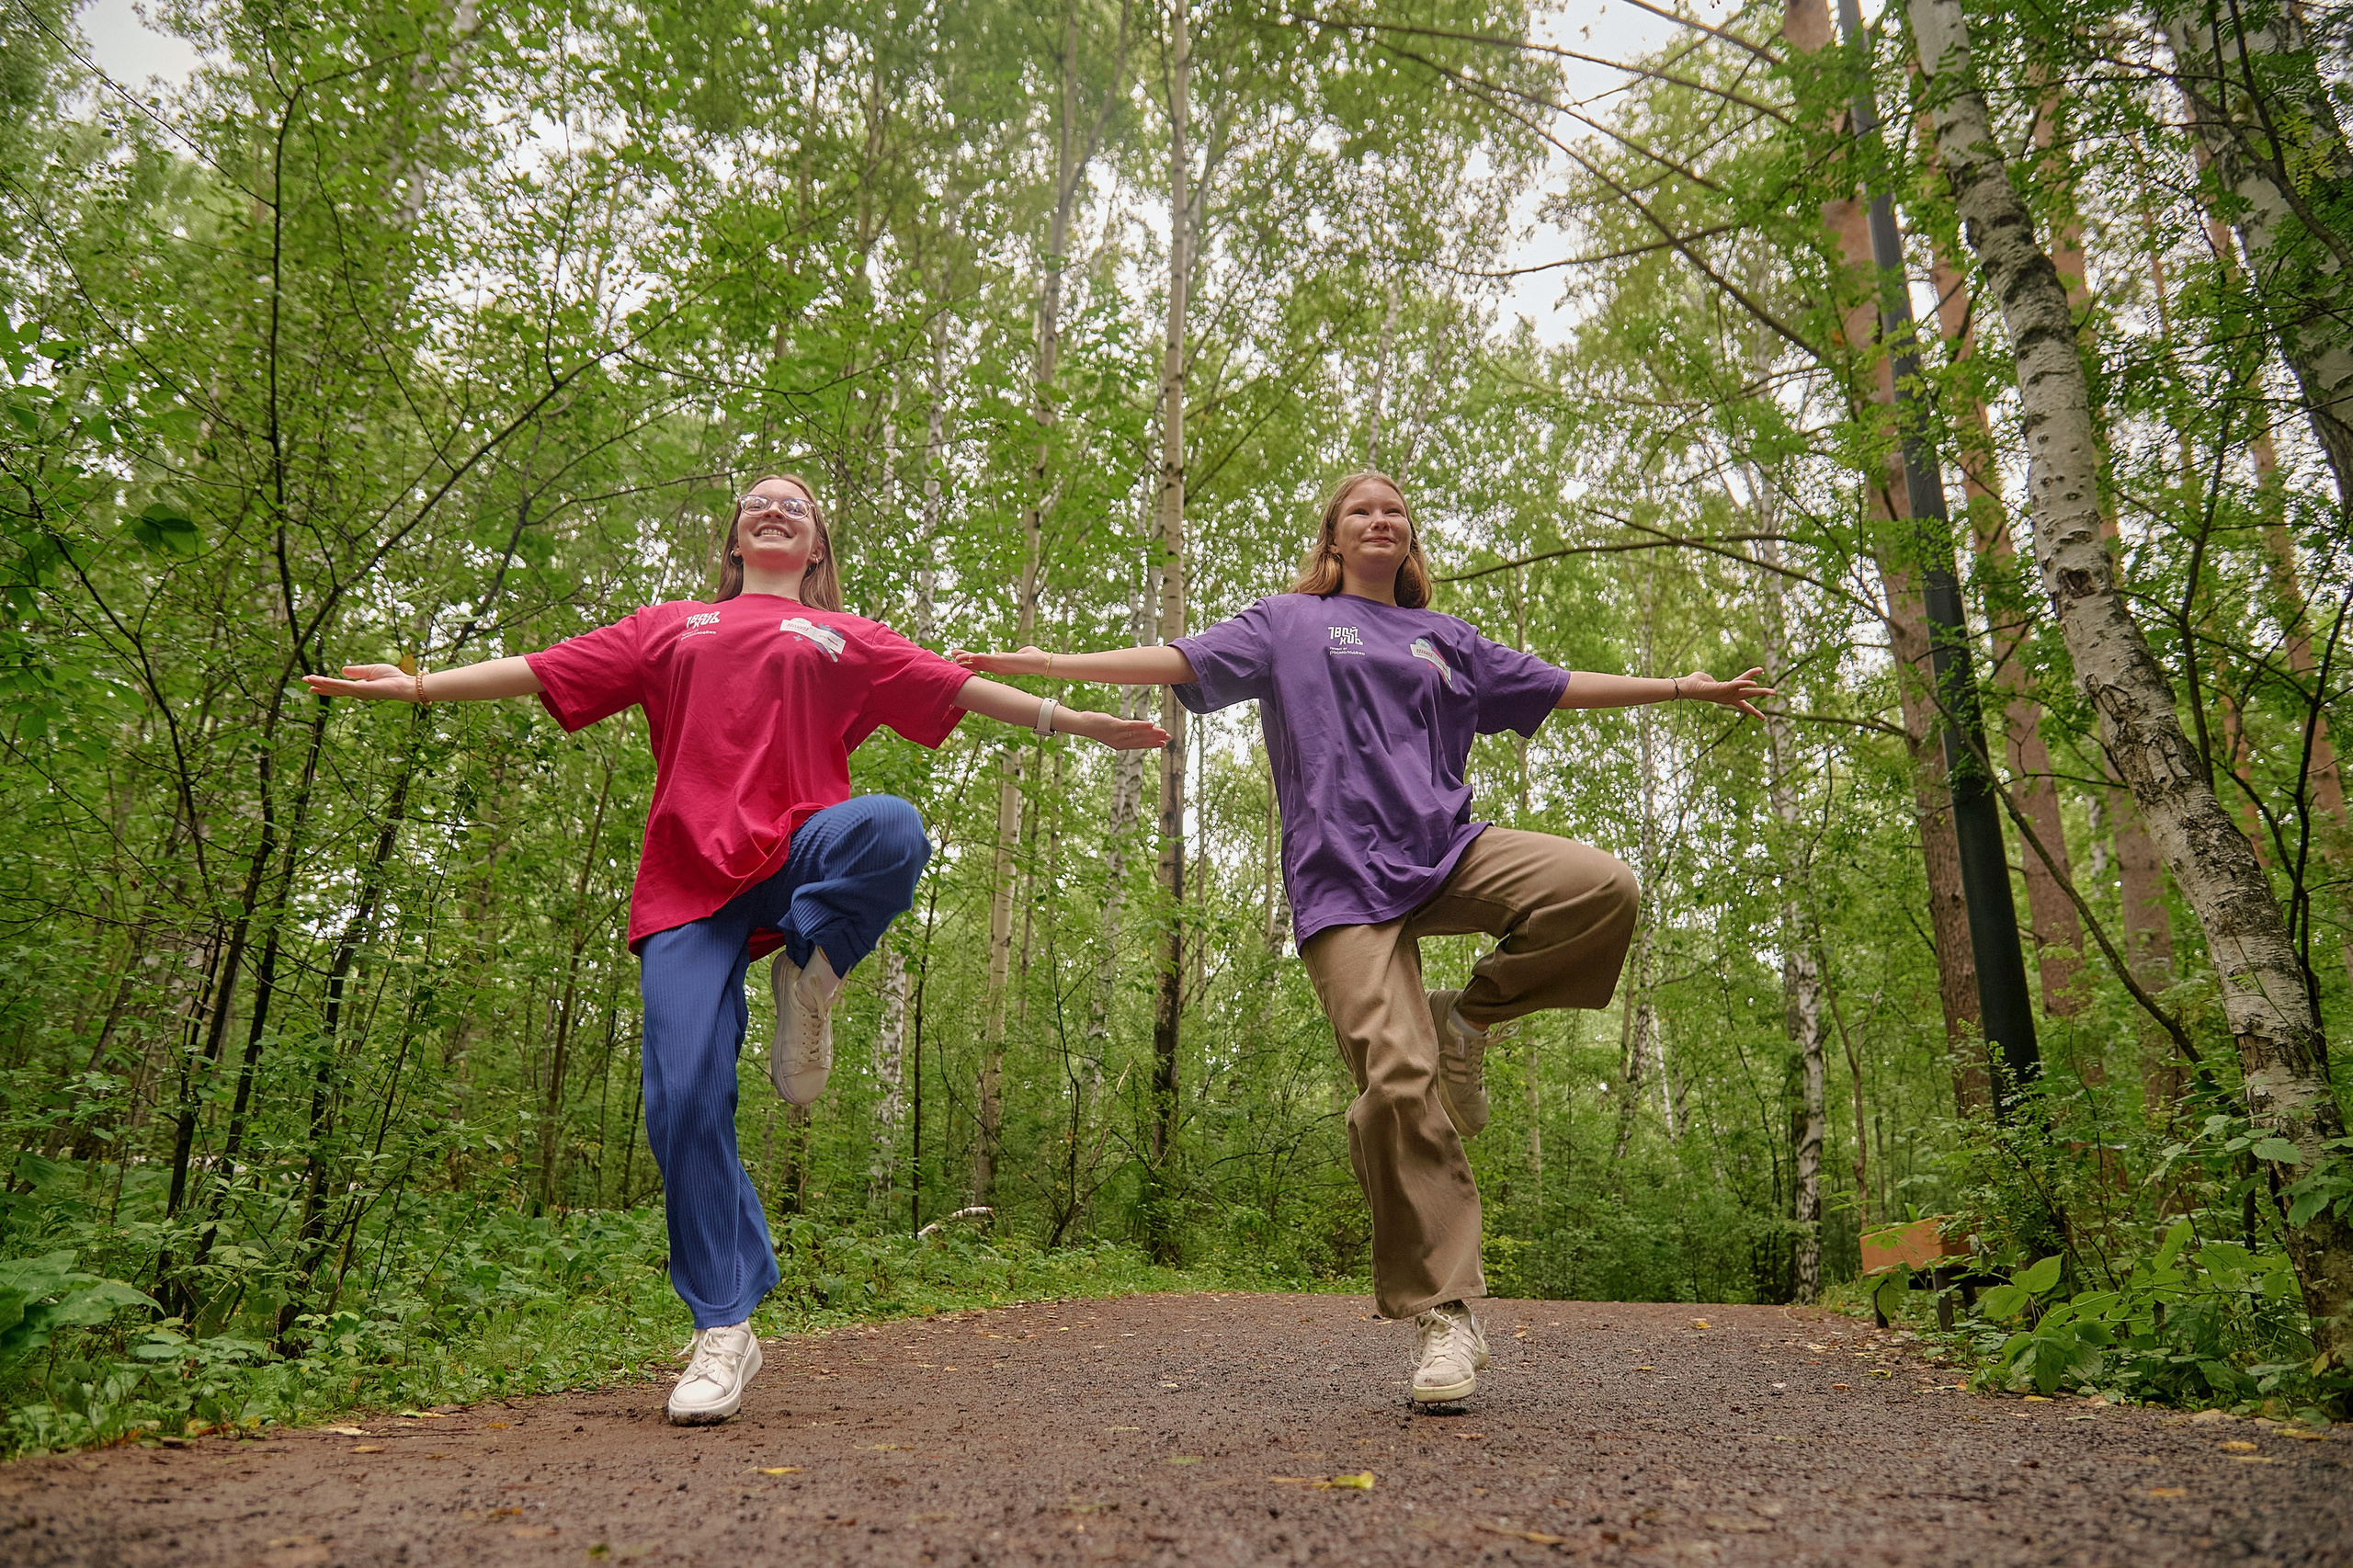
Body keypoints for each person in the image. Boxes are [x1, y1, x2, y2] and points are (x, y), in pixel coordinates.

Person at [306, 473, 1165, 1426]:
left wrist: (1073, 720)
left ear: (817, 549)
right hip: (685, 881)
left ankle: (814, 967)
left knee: (890, 826)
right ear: (733, 541)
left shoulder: (848, 636)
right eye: (757, 499)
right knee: (679, 1098)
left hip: (797, 852)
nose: (774, 507)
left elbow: (957, 686)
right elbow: (545, 666)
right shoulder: (669, 624)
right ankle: (727, 1323)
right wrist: (422, 685)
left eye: (795, 504)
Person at [954, 471, 1768, 1405]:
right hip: (1343, 879)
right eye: (1359, 511)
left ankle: (1472, 1015)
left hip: (1447, 848)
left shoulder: (1444, 639)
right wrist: (1054, 666)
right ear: (1334, 539)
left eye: (1394, 511)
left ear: (1408, 540)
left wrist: (1681, 686)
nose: (1379, 519)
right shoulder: (1286, 623)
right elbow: (1176, 659)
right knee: (1393, 1076)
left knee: (1600, 886)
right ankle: (1447, 1314)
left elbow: (1555, 684)